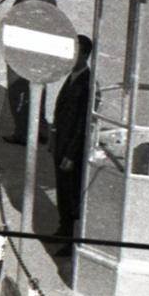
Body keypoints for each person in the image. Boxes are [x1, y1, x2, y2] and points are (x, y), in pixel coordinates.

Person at [4, 0, 58, 143]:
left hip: (25, 55)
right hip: (44, 53)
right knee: (38, 93)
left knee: (18, 93)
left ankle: (23, 134)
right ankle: (40, 130)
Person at [50, 36, 96, 255]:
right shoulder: (72, 77)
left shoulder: (87, 83)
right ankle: (63, 228)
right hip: (61, 144)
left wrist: (70, 154)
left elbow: (82, 124)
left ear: (85, 55)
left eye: (75, 52)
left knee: (73, 195)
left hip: (72, 151)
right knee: (63, 190)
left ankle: (71, 242)